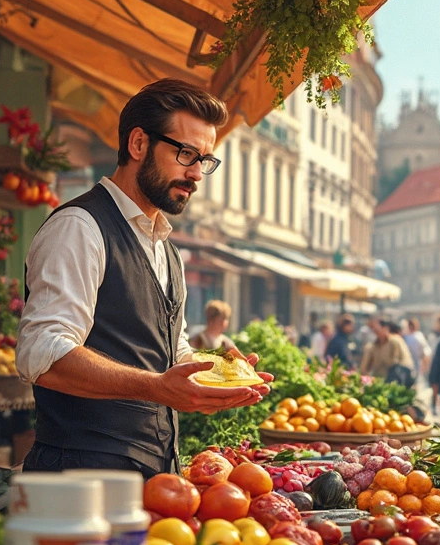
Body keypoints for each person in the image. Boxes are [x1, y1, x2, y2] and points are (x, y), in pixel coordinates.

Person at [16, 79, 271, 478]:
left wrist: (215, 371)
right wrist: (155, 387)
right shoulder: (79, 227)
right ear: (138, 144)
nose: (197, 174)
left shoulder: (167, 248)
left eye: (205, 160)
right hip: (79, 480)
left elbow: (172, 347)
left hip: (153, 477)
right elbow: (42, 351)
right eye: (186, 154)